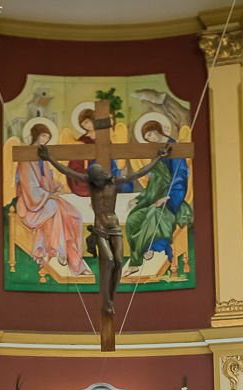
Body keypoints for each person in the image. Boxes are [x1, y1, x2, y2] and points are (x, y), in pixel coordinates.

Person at [37, 143, 171, 316]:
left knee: (118, 261)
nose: (97, 183)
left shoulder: (114, 182)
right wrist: (49, 158)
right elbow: (68, 172)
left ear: (103, 177)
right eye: (94, 181)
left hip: (114, 227)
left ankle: (111, 299)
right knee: (107, 260)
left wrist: (159, 157)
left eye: (99, 180)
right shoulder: (91, 183)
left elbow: (140, 173)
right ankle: (106, 298)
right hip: (100, 227)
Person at [16, 123, 92, 277]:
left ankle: (76, 261)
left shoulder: (43, 159)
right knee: (54, 208)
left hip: (44, 201)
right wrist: (46, 193)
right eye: (43, 136)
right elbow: (29, 187)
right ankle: (59, 252)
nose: (45, 140)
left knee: (74, 215)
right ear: (36, 136)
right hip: (31, 207)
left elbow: (45, 183)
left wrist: (53, 187)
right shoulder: (25, 157)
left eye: (47, 137)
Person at [124, 120, 192, 276]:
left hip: (172, 200)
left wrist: (168, 198)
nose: (150, 139)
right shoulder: (157, 153)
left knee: (153, 214)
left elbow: (180, 178)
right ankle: (136, 259)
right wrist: (139, 199)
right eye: (146, 138)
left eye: (149, 134)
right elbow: (153, 184)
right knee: (133, 218)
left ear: (157, 130)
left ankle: (147, 250)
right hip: (154, 198)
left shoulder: (175, 149)